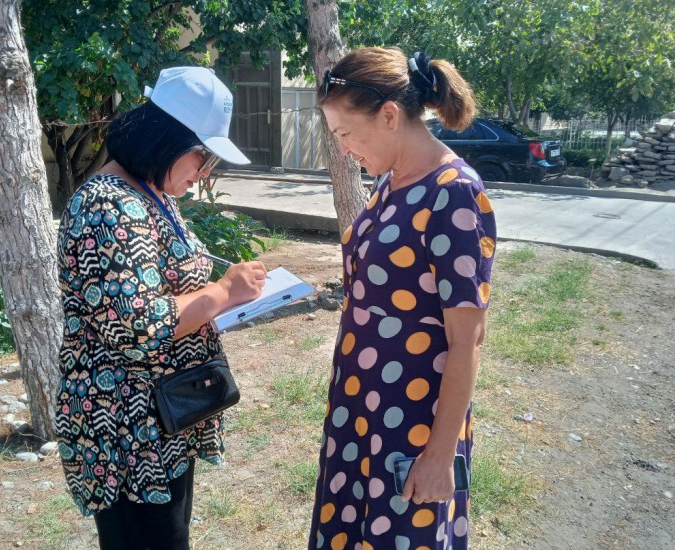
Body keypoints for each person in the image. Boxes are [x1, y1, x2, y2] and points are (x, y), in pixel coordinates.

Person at [54, 66, 266, 550]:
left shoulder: (145, 193)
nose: (204, 171)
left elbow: (161, 290)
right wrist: (223, 293)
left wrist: (215, 293)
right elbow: (139, 326)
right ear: (165, 139)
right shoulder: (109, 207)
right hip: (129, 429)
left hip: (161, 416)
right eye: (201, 156)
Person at [308, 47, 497, 550]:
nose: (343, 149)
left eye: (346, 133)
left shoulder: (453, 194)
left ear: (389, 115)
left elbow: (468, 341)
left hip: (411, 420)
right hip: (360, 406)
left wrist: (439, 455)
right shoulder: (390, 182)